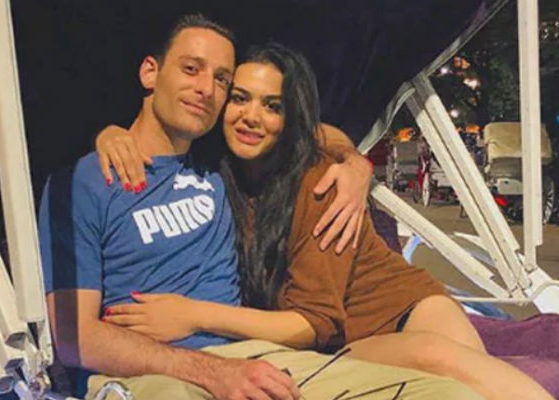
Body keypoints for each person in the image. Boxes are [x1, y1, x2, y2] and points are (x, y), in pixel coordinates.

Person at [39, 14, 484, 400]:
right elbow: (75, 338)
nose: (205, 89)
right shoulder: (81, 184)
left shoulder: (220, 162)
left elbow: (304, 129)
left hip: (256, 359)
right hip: (151, 371)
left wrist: (354, 163)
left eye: (221, 80)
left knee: (448, 393)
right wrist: (211, 372)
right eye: (191, 69)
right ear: (150, 72)